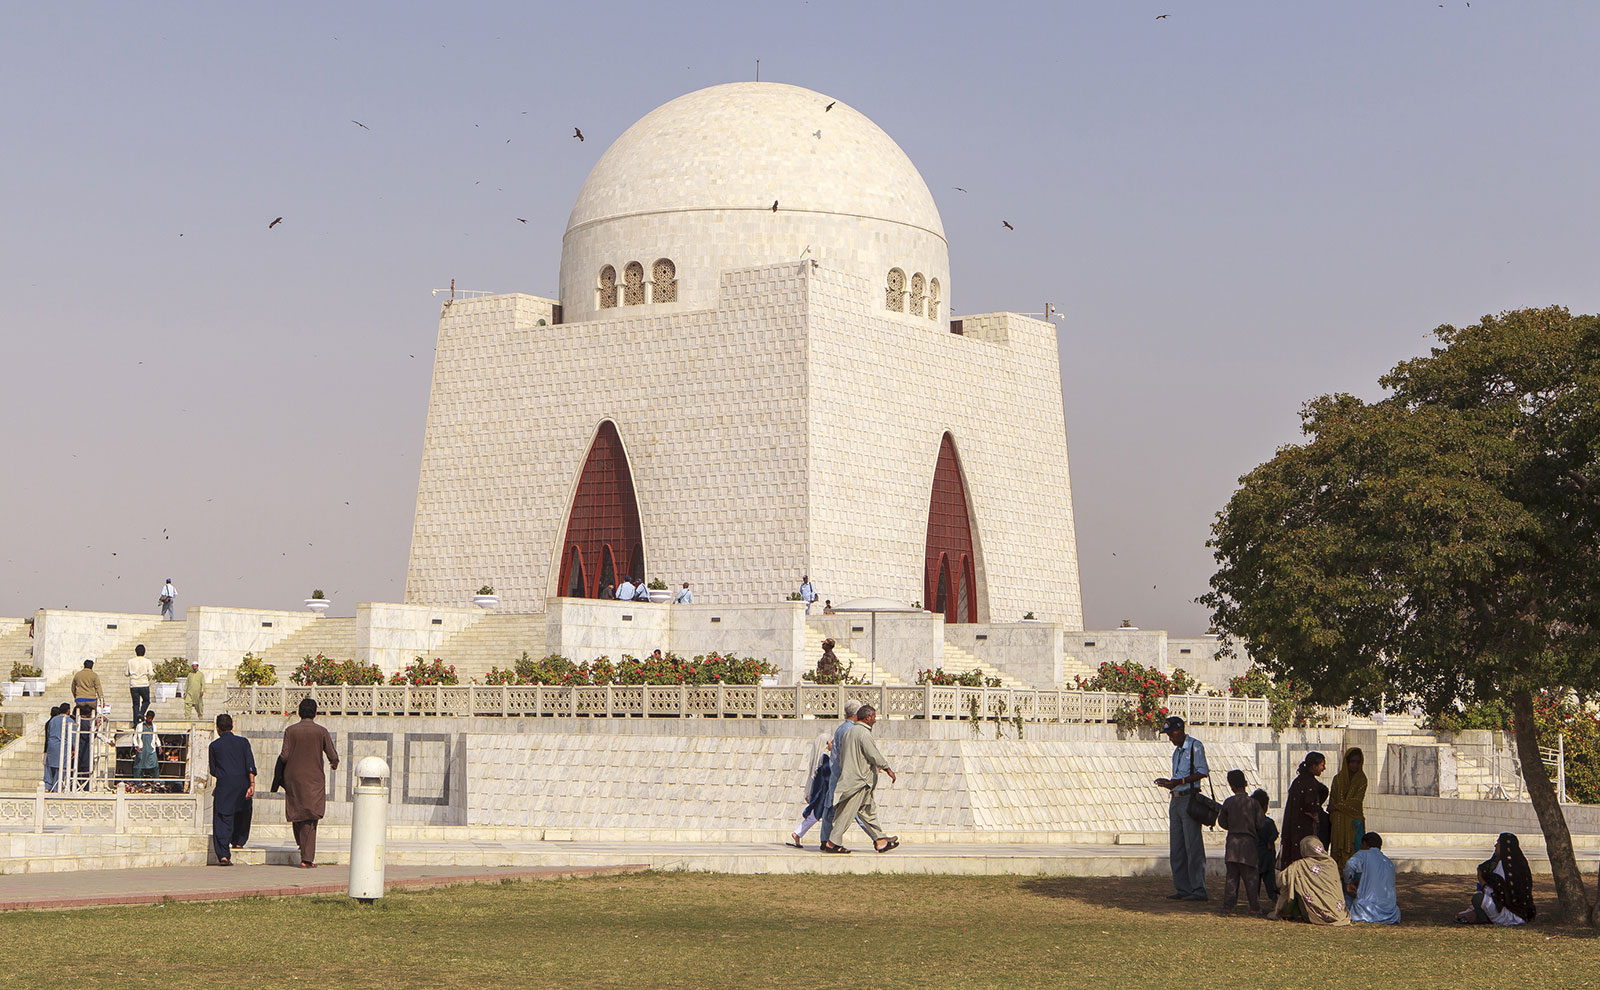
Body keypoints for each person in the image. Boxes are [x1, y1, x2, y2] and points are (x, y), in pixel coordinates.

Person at [826, 704, 899, 853]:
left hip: (856, 778)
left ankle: (880, 840)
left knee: (867, 811)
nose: (875, 720)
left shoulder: (850, 732)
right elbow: (873, 754)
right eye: (874, 717)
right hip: (859, 780)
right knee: (847, 813)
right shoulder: (863, 733)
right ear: (868, 717)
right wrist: (887, 768)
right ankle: (832, 843)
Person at [278, 697, 339, 868]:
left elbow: (284, 755)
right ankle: (307, 858)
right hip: (313, 780)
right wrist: (334, 764)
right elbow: (332, 755)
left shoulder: (290, 731)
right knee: (311, 818)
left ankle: (302, 847)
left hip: (293, 778)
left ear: (299, 713)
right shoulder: (321, 731)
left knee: (297, 813)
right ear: (315, 713)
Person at [1155, 715, 1209, 901]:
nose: (1170, 738)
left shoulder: (1195, 746)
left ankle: (1198, 889)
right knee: (1177, 847)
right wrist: (1170, 783)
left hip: (1189, 799)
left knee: (1193, 847)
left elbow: (1202, 772)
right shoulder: (1176, 752)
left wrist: (1180, 781)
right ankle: (1183, 888)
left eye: (1171, 734)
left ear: (1180, 730)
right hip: (1176, 799)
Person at [207, 714, 256, 866]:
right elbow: (250, 764)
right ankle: (238, 841)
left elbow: (214, 770)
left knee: (223, 818)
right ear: (232, 726)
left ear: (218, 729)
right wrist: (252, 784)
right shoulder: (243, 742)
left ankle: (223, 855)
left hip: (225, 785)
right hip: (243, 784)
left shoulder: (214, 746)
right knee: (243, 812)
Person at [1456, 833, 1537, 925]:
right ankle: (1477, 915)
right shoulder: (1521, 863)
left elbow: (1496, 892)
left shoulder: (1505, 866)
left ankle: (1483, 917)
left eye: (1498, 843)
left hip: (1509, 914)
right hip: (1523, 914)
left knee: (1478, 898)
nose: (1495, 846)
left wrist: (1482, 881)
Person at [1269, 837, 1351, 925]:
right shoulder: (1331, 863)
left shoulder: (1300, 865)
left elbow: (1281, 881)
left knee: (1293, 882)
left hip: (1317, 914)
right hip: (1339, 912)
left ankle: (1287, 912)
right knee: (1298, 881)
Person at [1217, 768, 1265, 915]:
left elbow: (1222, 822)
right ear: (1245, 783)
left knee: (1231, 878)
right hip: (1248, 843)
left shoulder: (1228, 802)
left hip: (1232, 843)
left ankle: (1228, 907)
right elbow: (1260, 823)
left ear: (1231, 786)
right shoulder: (1254, 803)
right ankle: (1254, 907)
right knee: (1251, 878)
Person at [818, 700, 861, 852]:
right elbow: (847, 754)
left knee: (830, 806)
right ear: (857, 714)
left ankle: (825, 839)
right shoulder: (849, 730)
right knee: (853, 807)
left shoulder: (842, 728)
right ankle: (877, 838)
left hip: (836, 772)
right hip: (843, 774)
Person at [1281, 752, 1328, 870]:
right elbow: (1309, 805)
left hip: (1293, 828)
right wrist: (1316, 814)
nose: (1324, 769)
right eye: (1322, 765)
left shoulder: (1299, 781)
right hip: (1303, 829)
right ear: (1314, 766)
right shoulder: (1309, 784)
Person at [787, 731, 834, 848]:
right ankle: (798, 833)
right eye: (832, 742)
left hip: (819, 792)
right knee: (816, 816)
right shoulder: (825, 758)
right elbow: (828, 777)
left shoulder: (819, 758)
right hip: (822, 793)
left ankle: (824, 839)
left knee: (818, 816)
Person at [1344, 832, 1401, 924]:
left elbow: (1350, 865)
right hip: (1390, 913)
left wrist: (1348, 883)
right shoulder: (1388, 862)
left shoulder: (1363, 854)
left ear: (1365, 844)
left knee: (1345, 897)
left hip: (1366, 911)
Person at [1328, 747, 1368, 871]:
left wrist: (1338, 807)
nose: (1355, 765)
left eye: (1358, 762)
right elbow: (1332, 801)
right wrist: (1338, 808)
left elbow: (1356, 802)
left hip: (1354, 824)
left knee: (1354, 854)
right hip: (1338, 825)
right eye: (1352, 762)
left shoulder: (1362, 779)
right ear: (1347, 762)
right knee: (1338, 855)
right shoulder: (1338, 779)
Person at [1252, 788, 1280, 904]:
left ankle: (1254, 902)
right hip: (1267, 856)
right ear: (1265, 806)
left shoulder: (1251, 822)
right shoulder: (1268, 822)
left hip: (1254, 855)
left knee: (1255, 881)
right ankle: (1275, 900)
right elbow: (1274, 834)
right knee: (1270, 881)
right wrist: (1270, 842)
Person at [42, 704, 72, 792]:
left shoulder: (52, 720)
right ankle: (56, 788)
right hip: (62, 746)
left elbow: (48, 733)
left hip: (51, 745)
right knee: (60, 767)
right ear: (68, 711)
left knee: (49, 766)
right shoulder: (69, 720)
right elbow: (73, 736)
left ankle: (47, 786)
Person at [127, 644, 153, 727]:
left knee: (135, 704)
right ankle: (141, 714)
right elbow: (151, 673)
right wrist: (148, 678)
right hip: (144, 684)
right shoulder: (147, 661)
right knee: (146, 701)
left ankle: (136, 722)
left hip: (134, 684)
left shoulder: (130, 661)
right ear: (144, 652)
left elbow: (126, 673)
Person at [132, 710, 159, 779]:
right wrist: (136, 746)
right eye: (148, 718)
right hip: (141, 749)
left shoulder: (154, 727)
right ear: (146, 717)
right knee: (138, 766)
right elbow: (135, 737)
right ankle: (137, 782)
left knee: (155, 766)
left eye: (151, 718)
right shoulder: (139, 726)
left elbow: (156, 737)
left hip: (151, 749)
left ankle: (156, 781)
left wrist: (159, 746)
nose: (149, 720)